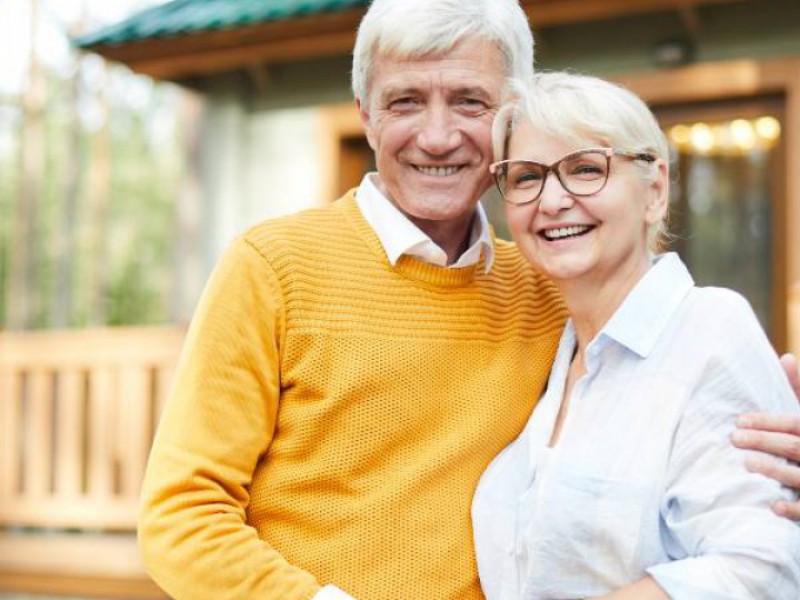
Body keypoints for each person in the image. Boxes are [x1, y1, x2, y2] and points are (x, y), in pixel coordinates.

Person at [138, 1, 800, 599]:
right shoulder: (272, 268)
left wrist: (778, 403)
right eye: (403, 103)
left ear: (509, 117)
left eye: (469, 102)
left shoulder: (550, 291)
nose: (436, 135)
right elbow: (182, 516)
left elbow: (691, 390)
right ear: (366, 117)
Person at [471, 72, 800, 600]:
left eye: (585, 169)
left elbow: (762, 570)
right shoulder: (549, 355)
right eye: (527, 177)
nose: (552, 200)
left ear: (655, 190)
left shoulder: (709, 330)